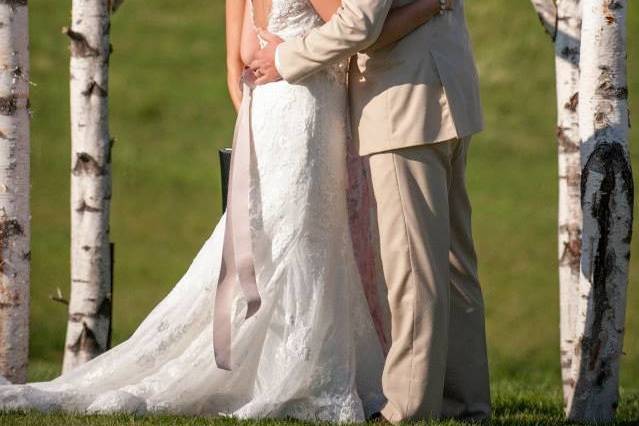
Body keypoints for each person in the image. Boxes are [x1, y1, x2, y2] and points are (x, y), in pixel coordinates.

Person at [0, 0, 448, 422]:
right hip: (307, 105)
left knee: (273, 234)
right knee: (304, 237)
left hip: (266, 107)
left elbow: (239, 59)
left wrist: (259, 105)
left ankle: (276, 359)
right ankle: (301, 366)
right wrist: (429, 5)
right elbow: (359, 31)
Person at [251, 0, 491, 421]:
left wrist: (285, 57)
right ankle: (466, 406)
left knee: (414, 272)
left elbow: (360, 23)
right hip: (445, 89)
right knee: (454, 267)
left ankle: (407, 411)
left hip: (403, 103)